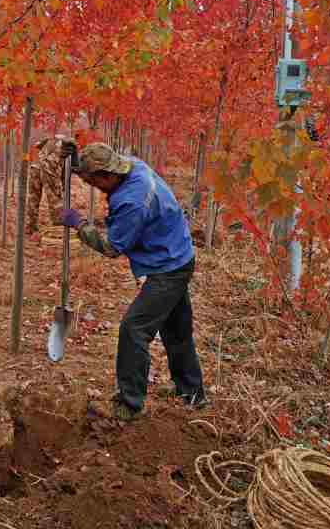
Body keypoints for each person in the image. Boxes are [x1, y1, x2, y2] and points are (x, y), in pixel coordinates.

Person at [60, 142, 205, 421]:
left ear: (106, 176)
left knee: (133, 329)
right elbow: (96, 168)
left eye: (93, 182)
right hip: (179, 255)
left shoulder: (132, 202)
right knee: (176, 332)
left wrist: (78, 223)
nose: (93, 186)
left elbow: (112, 247)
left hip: (168, 269)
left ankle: (128, 403)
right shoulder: (131, 165)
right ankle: (193, 394)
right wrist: (74, 161)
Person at [26, 135, 69, 237]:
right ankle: (58, 230)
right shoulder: (66, 145)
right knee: (55, 199)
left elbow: (37, 145)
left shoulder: (48, 140)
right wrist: (62, 184)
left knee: (33, 199)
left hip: (35, 167)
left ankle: (31, 227)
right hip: (49, 168)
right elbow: (63, 171)